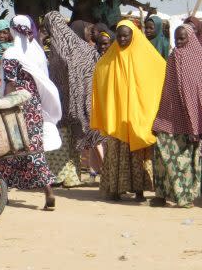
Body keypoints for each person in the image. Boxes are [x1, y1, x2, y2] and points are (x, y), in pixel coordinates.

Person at [91, 20, 166, 201]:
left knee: (138, 154)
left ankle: (139, 191)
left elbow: (161, 73)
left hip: (137, 117)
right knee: (117, 153)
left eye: (126, 35)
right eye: (120, 35)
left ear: (134, 35)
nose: (123, 39)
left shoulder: (147, 56)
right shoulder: (110, 58)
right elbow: (100, 74)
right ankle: (116, 189)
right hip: (117, 117)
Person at [0, 15, 61, 210]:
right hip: (34, 106)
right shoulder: (36, 53)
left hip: (17, 107)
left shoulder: (11, 54)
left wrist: (3, 104)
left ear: (13, 30)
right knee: (32, 148)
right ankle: (11, 192)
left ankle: (45, 190)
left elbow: (11, 84)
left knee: (10, 148)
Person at [43, 12, 106, 188]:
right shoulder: (78, 45)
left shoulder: (59, 45)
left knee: (63, 136)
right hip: (79, 98)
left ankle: (61, 175)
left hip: (63, 99)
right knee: (69, 138)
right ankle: (71, 175)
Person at [150, 24, 202, 208]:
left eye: (182, 39)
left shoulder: (196, 60)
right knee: (161, 158)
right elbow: (167, 90)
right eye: (176, 39)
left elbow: (194, 94)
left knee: (184, 162)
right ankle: (161, 194)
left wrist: (194, 126)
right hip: (169, 118)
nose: (178, 43)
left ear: (191, 39)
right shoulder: (173, 58)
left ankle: (185, 197)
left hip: (190, 122)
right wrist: (158, 119)